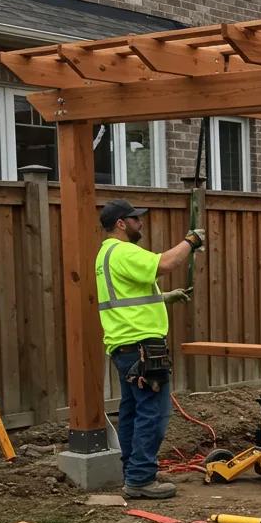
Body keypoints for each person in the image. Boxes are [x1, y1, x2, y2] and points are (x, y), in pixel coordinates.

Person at [95, 199, 205, 500]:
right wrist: (191, 241)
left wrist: (164, 297)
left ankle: (133, 473)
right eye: (135, 219)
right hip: (143, 345)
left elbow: (131, 291)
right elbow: (165, 264)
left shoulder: (104, 255)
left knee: (132, 411)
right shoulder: (124, 250)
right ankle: (141, 479)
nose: (139, 224)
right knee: (153, 413)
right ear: (121, 223)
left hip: (123, 346)